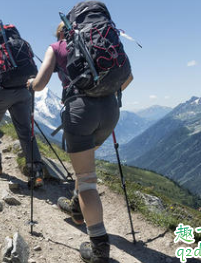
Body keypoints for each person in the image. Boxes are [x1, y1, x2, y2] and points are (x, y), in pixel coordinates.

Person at [27, 18, 133, 262]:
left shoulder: (57, 48)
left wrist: (30, 83)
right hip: (110, 111)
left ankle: (98, 248)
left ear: (59, 33)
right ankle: (77, 208)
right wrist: (102, 93)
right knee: (85, 166)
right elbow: (127, 78)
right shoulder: (104, 42)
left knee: (86, 180)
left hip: (80, 112)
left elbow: (40, 85)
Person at [0, 24, 44, 187]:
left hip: (2, 93)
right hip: (24, 91)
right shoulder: (23, 46)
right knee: (25, 131)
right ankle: (37, 172)